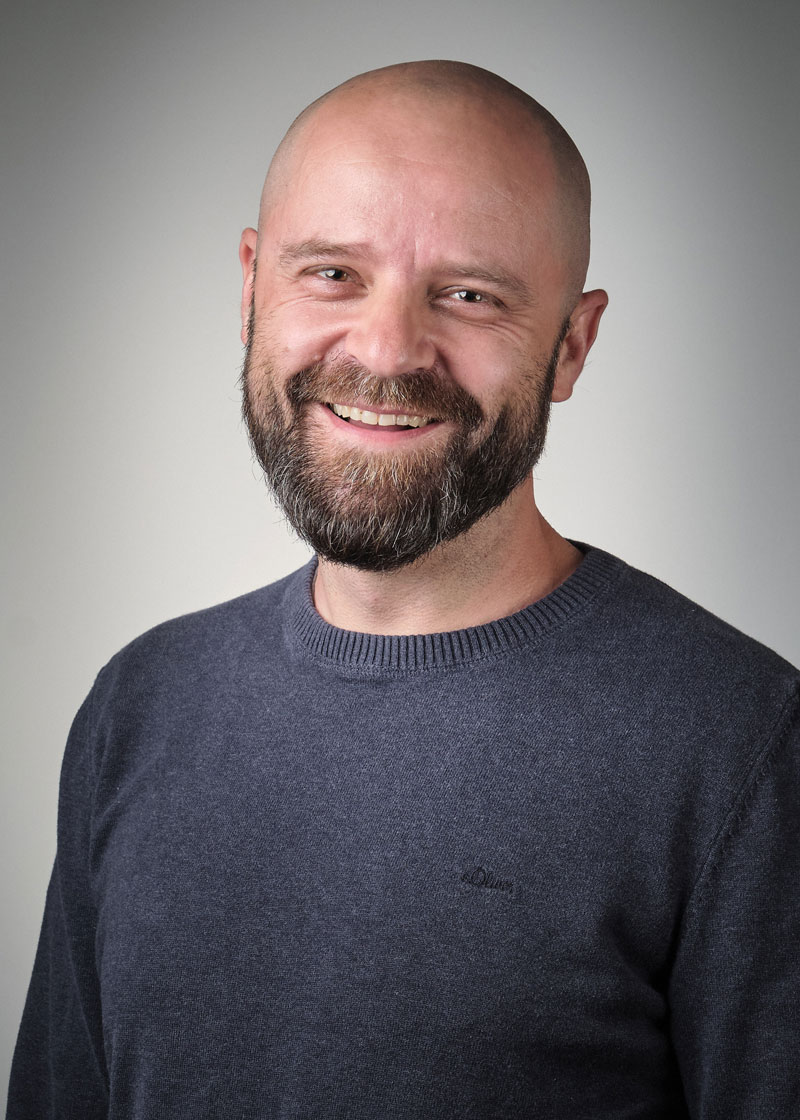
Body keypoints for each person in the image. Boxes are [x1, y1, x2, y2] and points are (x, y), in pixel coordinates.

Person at [8, 60, 799, 1119]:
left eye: (469, 295)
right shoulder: (138, 706)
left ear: (571, 345)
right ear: (250, 287)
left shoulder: (742, 745)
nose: (385, 351)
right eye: (333, 273)